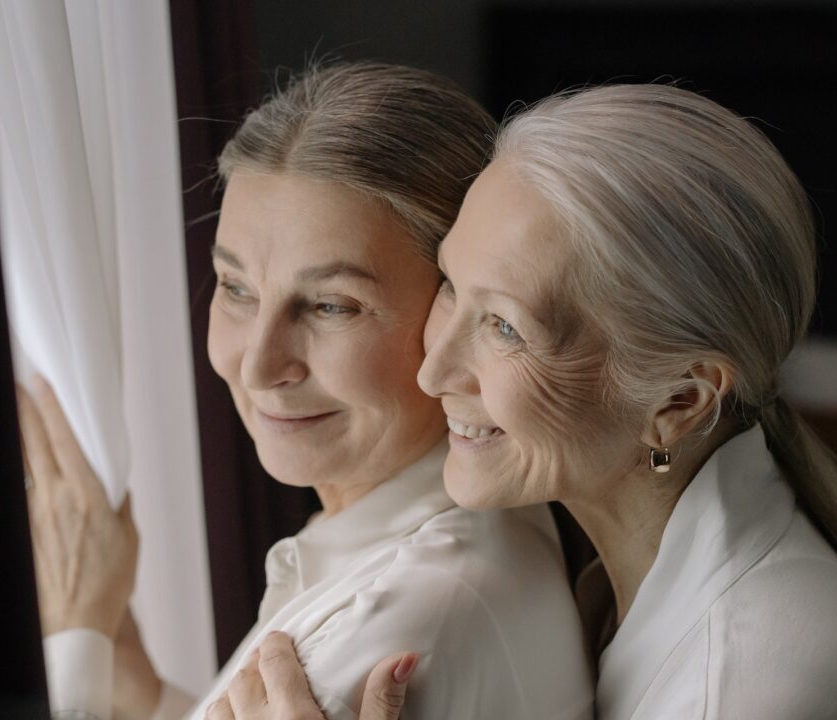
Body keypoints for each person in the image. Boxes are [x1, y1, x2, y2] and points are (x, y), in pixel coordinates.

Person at [217, 83, 837, 719]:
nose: (432, 372)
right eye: (452, 288)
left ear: (678, 400)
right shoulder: (619, 573)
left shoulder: (737, 693)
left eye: (506, 327)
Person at [18, 63, 594, 720]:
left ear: (458, 313)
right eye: (237, 289)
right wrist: (129, 677)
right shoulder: (418, 549)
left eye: (331, 306)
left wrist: (74, 642)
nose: (260, 366)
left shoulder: (406, 622)